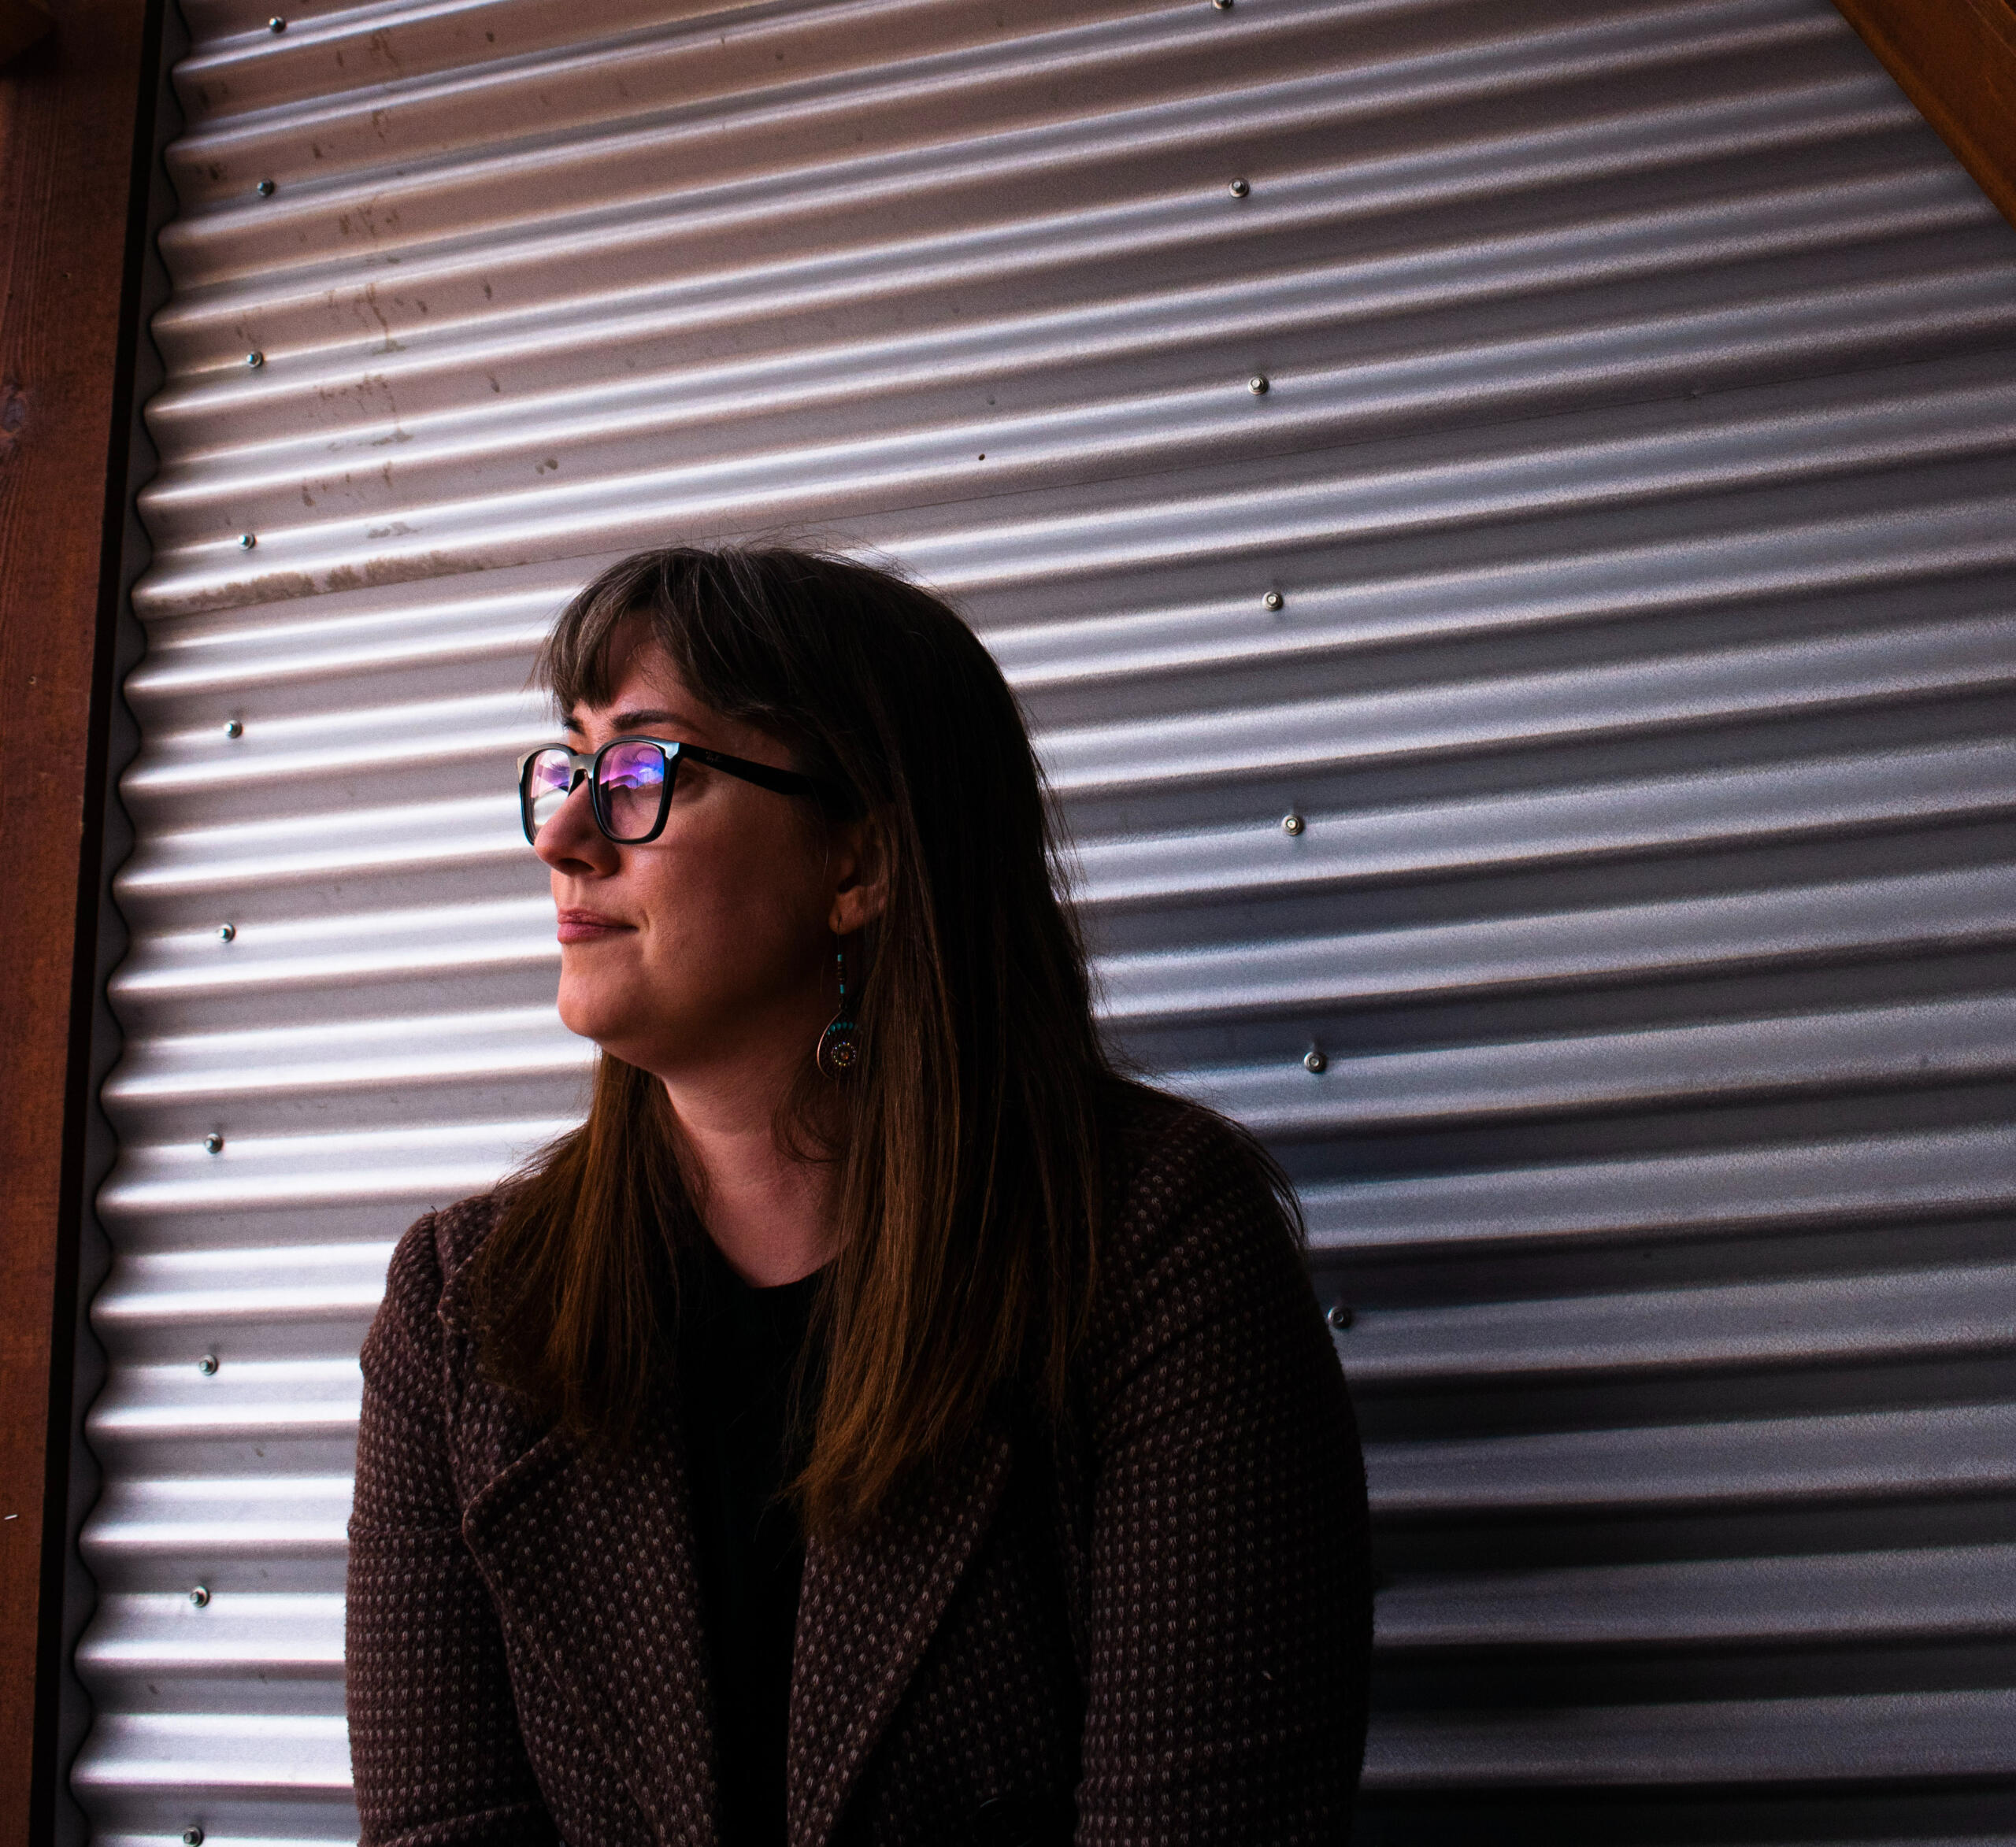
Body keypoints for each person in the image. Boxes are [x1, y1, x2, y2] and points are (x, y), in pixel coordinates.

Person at [344, 545, 1372, 1847]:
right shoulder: (462, 1316)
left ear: (861, 858)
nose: (564, 833)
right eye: (572, 766)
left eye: (651, 769)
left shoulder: (1152, 1248)